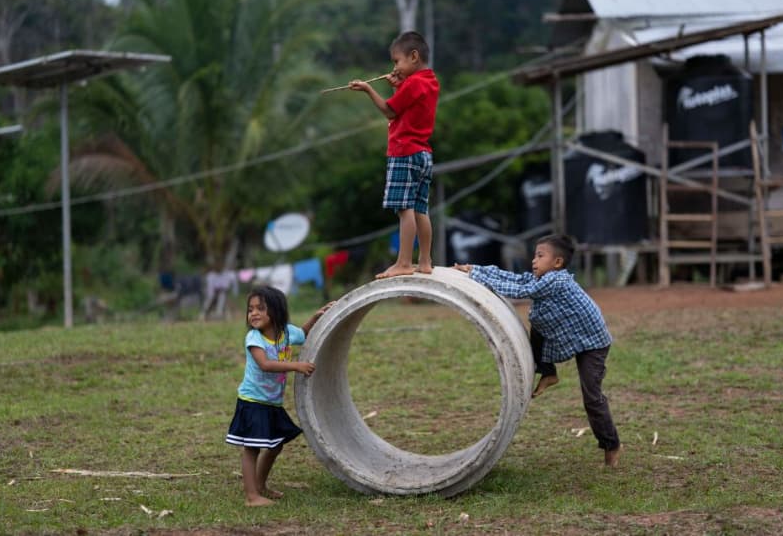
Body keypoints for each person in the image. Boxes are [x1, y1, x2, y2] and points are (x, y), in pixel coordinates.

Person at [453, 234, 622, 467]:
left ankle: (611, 444)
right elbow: (515, 278)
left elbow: (518, 290)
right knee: (538, 321)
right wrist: (476, 269)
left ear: (558, 263)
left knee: (592, 397)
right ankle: (548, 372)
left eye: (540, 256)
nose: (534, 260)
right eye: (534, 255)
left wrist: (475, 276)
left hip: (593, 342)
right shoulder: (542, 278)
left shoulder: (556, 281)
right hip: (570, 332)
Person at [225, 286, 333, 506]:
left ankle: (260, 485)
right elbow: (265, 364)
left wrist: (315, 317)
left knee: (276, 445)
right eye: (251, 309)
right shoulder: (254, 338)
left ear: (276, 311)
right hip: (253, 401)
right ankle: (251, 496)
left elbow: (303, 333)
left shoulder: (285, 332)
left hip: (272, 402)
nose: (253, 313)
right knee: (251, 449)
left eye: (260, 308)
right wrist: (296, 366)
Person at [349, 31, 440, 279]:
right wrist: (399, 86)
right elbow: (409, 106)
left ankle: (403, 262)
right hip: (423, 153)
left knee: (404, 208)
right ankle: (424, 261)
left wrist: (369, 90)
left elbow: (390, 111)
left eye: (397, 61)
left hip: (404, 152)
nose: (394, 67)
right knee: (420, 208)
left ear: (413, 57)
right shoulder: (429, 81)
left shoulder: (413, 83)